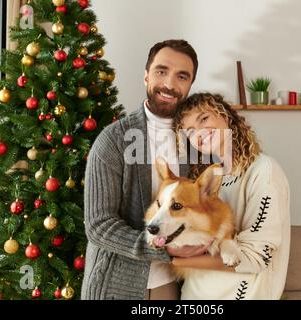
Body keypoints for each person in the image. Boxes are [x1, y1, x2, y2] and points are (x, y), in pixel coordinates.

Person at [81, 39, 207, 300]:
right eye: (161, 71)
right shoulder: (113, 140)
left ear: (190, 84)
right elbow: (98, 225)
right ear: (146, 75)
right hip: (114, 285)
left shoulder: (198, 142)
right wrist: (164, 248)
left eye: (181, 76)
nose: (170, 84)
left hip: (173, 285)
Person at [171, 92, 291, 300]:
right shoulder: (202, 181)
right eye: (190, 131)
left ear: (225, 116)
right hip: (194, 296)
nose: (199, 132)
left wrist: (177, 261)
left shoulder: (264, 172)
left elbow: (256, 258)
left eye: (204, 118)